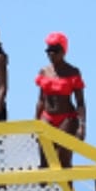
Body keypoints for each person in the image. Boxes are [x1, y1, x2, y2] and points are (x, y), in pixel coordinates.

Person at [34, 32, 86, 165]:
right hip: (47, 116)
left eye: (55, 50)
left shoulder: (73, 72)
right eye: (48, 50)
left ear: (64, 51)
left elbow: (80, 102)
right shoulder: (44, 72)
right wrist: (35, 122)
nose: (51, 54)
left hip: (67, 117)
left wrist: (82, 126)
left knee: (64, 160)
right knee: (44, 158)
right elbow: (41, 100)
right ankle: (44, 184)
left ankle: (67, 185)